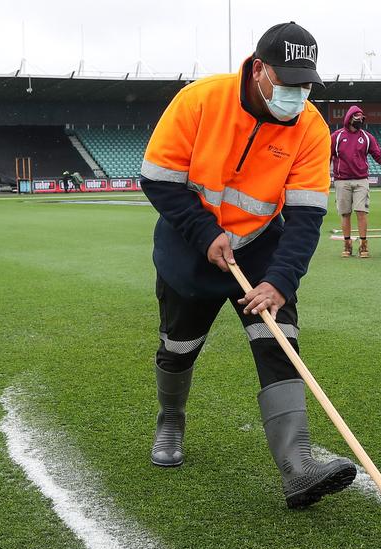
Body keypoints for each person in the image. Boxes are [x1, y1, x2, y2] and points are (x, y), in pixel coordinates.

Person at [139, 21, 356, 509]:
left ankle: (297, 467)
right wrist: (205, 234)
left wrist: (280, 281)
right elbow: (157, 179)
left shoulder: (312, 128)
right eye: (287, 81)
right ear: (259, 69)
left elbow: (305, 216)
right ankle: (171, 418)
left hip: (260, 245)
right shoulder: (200, 100)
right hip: (189, 244)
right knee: (179, 347)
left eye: (305, 84)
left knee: (278, 340)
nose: (297, 94)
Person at [330, 105, 381, 258]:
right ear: (349, 118)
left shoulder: (367, 137)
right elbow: (326, 157)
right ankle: (347, 245)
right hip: (342, 181)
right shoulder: (337, 136)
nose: (360, 120)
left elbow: (379, 156)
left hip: (361, 180)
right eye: (357, 118)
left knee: (362, 212)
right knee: (345, 213)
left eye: (362, 118)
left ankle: (363, 245)